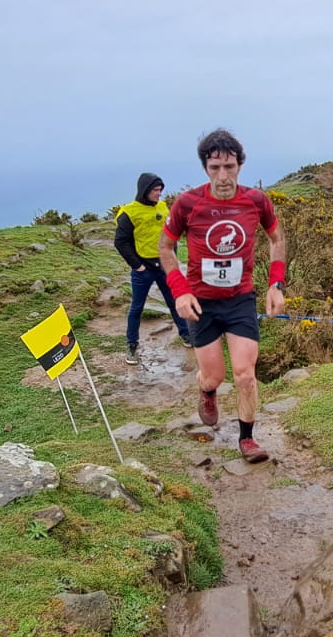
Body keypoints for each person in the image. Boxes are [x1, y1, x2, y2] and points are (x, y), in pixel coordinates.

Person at [159, 129, 287, 463]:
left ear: (240, 166)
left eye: (229, 166)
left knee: (245, 374)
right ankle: (207, 390)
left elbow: (277, 240)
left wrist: (276, 284)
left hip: (240, 299)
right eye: (215, 168)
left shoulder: (257, 201)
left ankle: (247, 439)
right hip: (202, 302)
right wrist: (180, 291)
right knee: (214, 375)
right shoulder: (188, 203)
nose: (223, 175)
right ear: (205, 168)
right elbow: (166, 246)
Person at [114, 172, 192, 364]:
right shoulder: (128, 213)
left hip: (164, 266)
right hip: (144, 269)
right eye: (155, 190)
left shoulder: (163, 207)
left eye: (160, 190)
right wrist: (138, 266)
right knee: (137, 308)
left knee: (175, 301)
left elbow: (171, 232)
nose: (159, 194)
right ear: (145, 190)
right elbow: (121, 242)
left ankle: (187, 335)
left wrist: (172, 257)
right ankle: (132, 346)